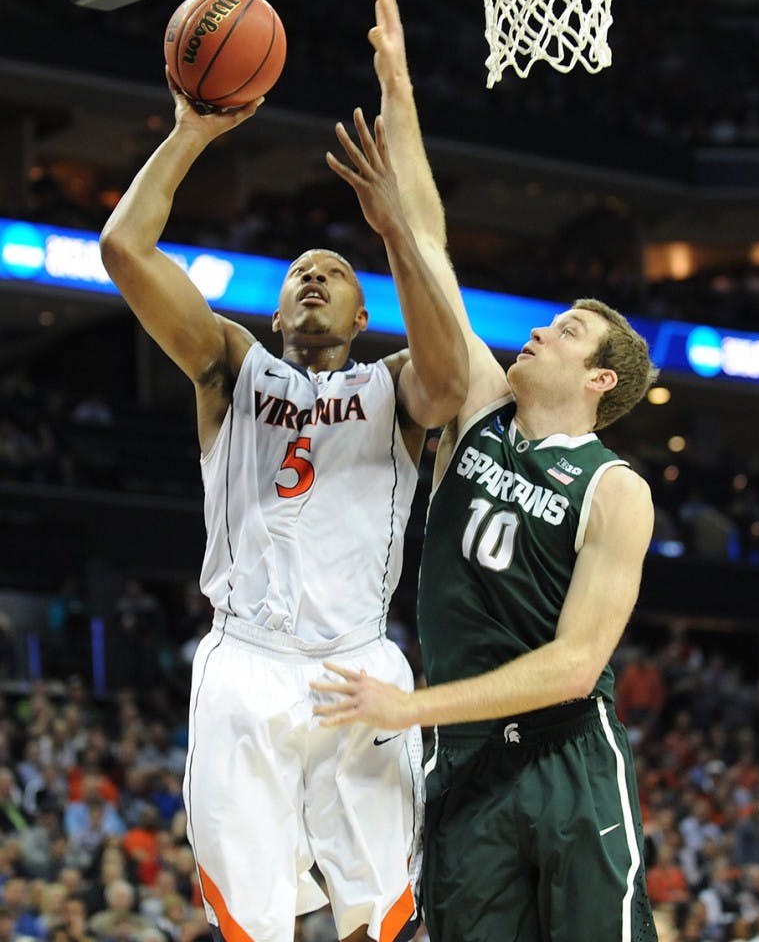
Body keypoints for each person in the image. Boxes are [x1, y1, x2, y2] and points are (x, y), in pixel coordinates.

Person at [311, 0, 659, 941]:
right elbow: (427, 239)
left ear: (601, 381)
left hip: (564, 758)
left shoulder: (615, 491)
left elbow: (573, 662)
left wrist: (412, 703)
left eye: (569, 331)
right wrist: (399, 85)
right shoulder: (478, 407)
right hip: (465, 767)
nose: (545, 331)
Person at [99, 69, 468, 942]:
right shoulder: (231, 366)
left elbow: (451, 379)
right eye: (300, 273)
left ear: (362, 307)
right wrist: (191, 133)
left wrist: (394, 233)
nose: (313, 279)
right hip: (246, 663)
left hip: (357, 668)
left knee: (379, 921)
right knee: (253, 923)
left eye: (332, 274)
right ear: (275, 307)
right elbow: (123, 250)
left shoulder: (394, 388)